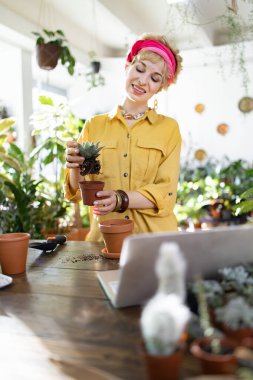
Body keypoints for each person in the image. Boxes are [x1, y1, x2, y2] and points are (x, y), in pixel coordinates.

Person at [64, 33, 183, 241]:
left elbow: (166, 192)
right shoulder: (94, 125)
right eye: (140, 69)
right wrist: (74, 165)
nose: (143, 81)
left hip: (154, 242)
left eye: (155, 78)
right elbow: (77, 190)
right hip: (104, 239)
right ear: (127, 66)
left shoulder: (169, 129)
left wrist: (121, 199)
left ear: (160, 88)